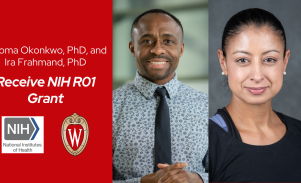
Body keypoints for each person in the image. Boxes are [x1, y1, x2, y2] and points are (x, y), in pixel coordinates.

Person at [113, 9, 208, 183]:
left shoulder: (206, 106)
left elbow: (229, 172)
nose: (157, 50)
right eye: (147, 41)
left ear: (181, 49)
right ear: (132, 48)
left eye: (168, 41)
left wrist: (197, 179)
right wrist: (142, 182)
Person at [209, 8, 301, 182]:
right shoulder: (205, 143)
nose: (257, 76)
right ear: (223, 62)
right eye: (242, 60)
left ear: (285, 61)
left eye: (269, 60)